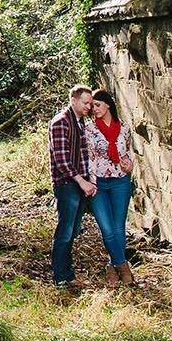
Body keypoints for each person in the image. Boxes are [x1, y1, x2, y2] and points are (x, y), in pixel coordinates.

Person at [85, 87, 136, 286]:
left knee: (118, 228)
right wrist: (91, 183)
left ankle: (112, 269)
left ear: (108, 105)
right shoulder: (89, 129)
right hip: (98, 183)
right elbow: (89, 158)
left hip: (120, 182)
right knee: (106, 229)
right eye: (92, 106)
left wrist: (129, 165)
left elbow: (127, 154)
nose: (94, 109)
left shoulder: (124, 127)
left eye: (97, 105)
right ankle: (123, 267)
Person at [48, 84, 96, 288]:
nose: (88, 107)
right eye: (85, 103)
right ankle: (60, 277)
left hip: (80, 183)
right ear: (73, 101)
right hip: (67, 183)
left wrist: (90, 180)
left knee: (73, 231)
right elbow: (62, 160)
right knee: (65, 231)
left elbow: (85, 155)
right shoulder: (60, 122)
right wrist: (81, 181)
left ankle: (68, 275)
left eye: (90, 104)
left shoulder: (81, 123)